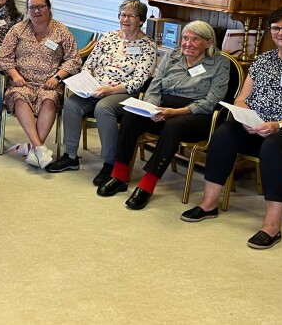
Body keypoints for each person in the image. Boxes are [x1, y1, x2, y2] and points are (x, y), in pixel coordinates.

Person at [182, 7, 282, 249]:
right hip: (259, 127)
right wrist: (246, 119)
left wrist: (279, 125)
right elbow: (241, 99)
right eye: (275, 28)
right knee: (225, 133)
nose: (281, 33)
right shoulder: (264, 60)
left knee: (274, 146)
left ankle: (272, 226)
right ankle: (209, 204)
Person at [97, 21, 230, 210]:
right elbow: (155, 86)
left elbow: (212, 100)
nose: (188, 44)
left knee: (172, 126)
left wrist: (176, 113)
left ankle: (147, 184)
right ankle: (119, 174)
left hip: (197, 113)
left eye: (195, 40)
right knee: (132, 115)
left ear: (208, 43)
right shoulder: (173, 55)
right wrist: (150, 108)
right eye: (185, 38)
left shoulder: (220, 63)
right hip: (162, 107)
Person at [46, 0, 156, 185]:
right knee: (71, 105)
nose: (125, 19)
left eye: (130, 15)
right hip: (95, 88)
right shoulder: (109, 37)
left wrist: (110, 90)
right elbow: (89, 64)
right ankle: (70, 156)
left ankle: (110, 162)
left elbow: (138, 81)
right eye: (122, 15)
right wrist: (86, 82)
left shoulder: (148, 46)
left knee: (103, 108)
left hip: (123, 92)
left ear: (141, 20)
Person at [0, 0, 81, 170]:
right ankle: (39, 148)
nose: (36, 11)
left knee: (49, 99)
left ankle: (35, 148)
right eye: (32, 8)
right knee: (19, 97)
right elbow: (4, 57)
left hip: (49, 83)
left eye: (41, 7)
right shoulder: (18, 29)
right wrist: (15, 75)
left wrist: (57, 77)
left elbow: (73, 59)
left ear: (49, 8)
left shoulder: (61, 31)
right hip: (23, 82)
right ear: (27, 10)